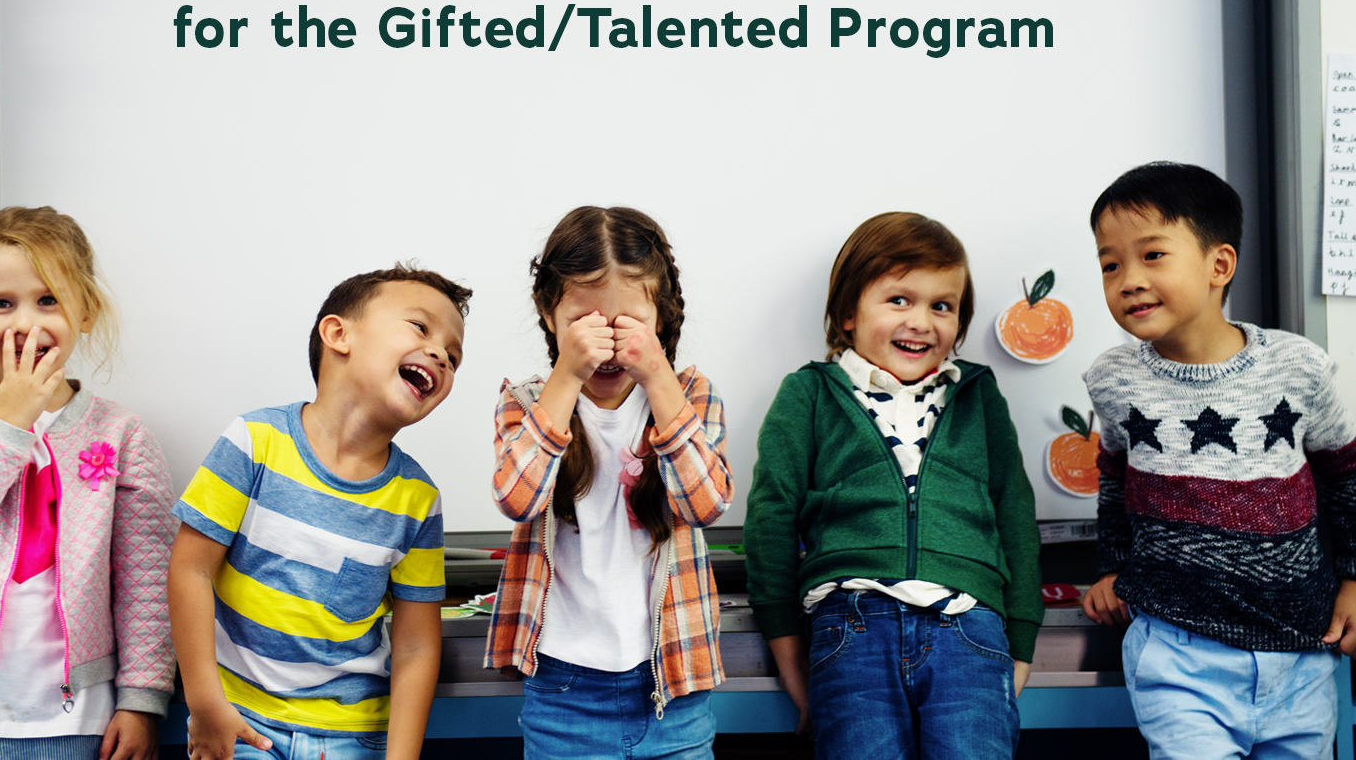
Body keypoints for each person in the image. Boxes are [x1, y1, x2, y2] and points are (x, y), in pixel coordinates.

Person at [1081, 162, 1356, 759]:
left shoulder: (1300, 366)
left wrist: (1355, 580)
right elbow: (1114, 478)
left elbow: (1346, 479)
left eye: (1151, 255)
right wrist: (1110, 567)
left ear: (1219, 265)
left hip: (1301, 652)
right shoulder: (1112, 379)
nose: (1127, 279)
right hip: (1176, 650)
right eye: (1110, 264)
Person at [744, 211, 1042, 760]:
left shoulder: (977, 396)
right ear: (847, 313)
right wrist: (790, 659)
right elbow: (770, 521)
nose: (922, 322)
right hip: (851, 628)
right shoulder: (807, 394)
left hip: (970, 632)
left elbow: (1015, 516)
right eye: (899, 300)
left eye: (942, 306)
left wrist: (1019, 645)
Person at [168, 266, 471, 760]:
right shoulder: (253, 443)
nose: (440, 353)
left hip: (356, 737)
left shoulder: (419, 499)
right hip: (241, 724)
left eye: (454, 357)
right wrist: (206, 704)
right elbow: (190, 570)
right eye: (420, 327)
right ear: (338, 334)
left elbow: (416, 647)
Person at [0, 206, 177, 760]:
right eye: (1, 303)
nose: (25, 322)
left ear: (86, 311)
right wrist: (6, 425)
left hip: (72, 718)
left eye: (47, 299)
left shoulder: (121, 433)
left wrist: (143, 700)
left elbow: (146, 582)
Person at [484, 205, 733, 760]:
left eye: (629, 323)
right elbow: (516, 499)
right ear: (549, 315)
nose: (610, 343)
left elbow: (706, 504)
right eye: (586, 322)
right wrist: (566, 376)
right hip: (563, 688)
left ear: (662, 317)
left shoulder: (690, 395)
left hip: (670, 681)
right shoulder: (525, 402)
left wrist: (658, 378)